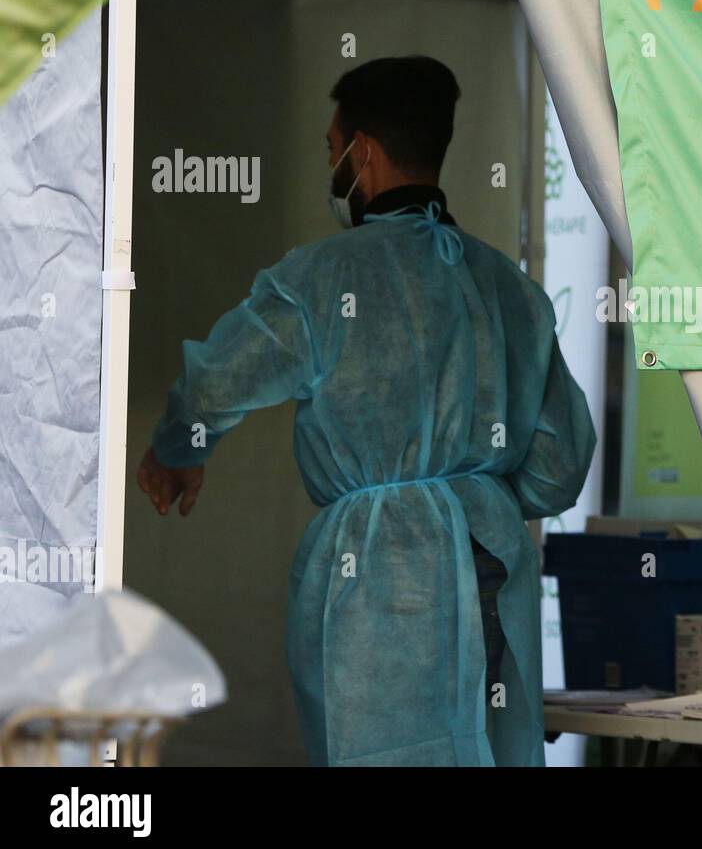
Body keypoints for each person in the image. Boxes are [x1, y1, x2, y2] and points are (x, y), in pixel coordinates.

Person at [135, 56, 596, 766]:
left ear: (365, 153)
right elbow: (561, 464)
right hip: (492, 562)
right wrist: (473, 495)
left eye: (331, 149)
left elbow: (218, 379)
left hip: (376, 570)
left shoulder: (322, 278)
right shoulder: (510, 288)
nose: (331, 167)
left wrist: (178, 449)